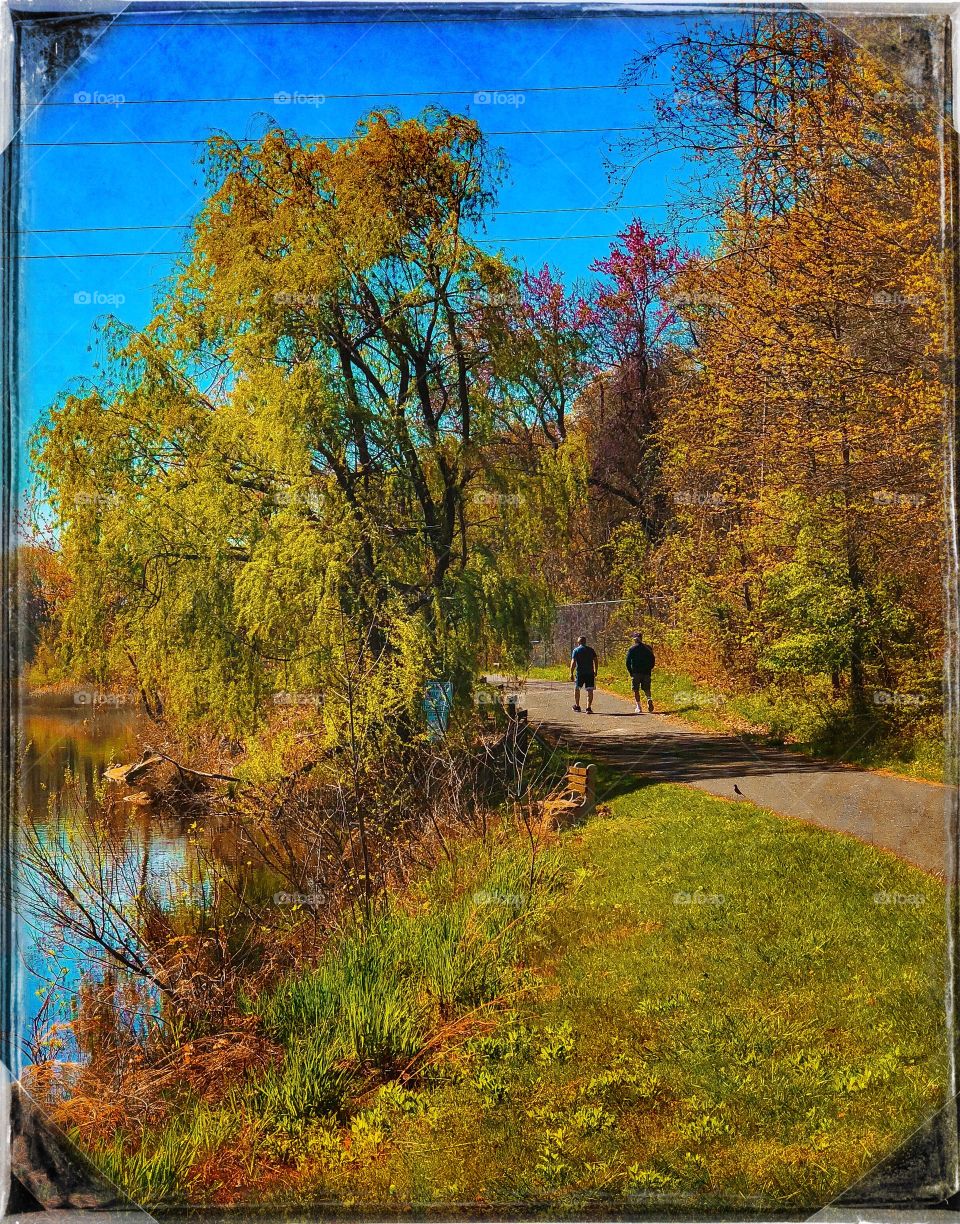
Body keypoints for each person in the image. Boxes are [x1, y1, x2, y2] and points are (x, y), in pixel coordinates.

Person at [626, 631, 655, 714]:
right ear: (641, 638)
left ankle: (639, 707)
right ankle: (649, 699)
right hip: (646, 672)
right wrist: (650, 668)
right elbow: (653, 659)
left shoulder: (632, 649)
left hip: (636, 672)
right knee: (647, 688)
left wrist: (631, 672)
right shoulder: (648, 648)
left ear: (634, 639)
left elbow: (628, 662)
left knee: (636, 689)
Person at [569, 635, 598, 713]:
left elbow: (573, 662)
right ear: (585, 642)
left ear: (578, 642)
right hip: (590, 673)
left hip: (580, 673)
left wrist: (571, 673)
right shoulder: (591, 650)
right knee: (590, 690)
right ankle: (588, 708)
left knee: (577, 688)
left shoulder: (576, 650)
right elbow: (596, 660)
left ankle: (577, 706)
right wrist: (596, 670)